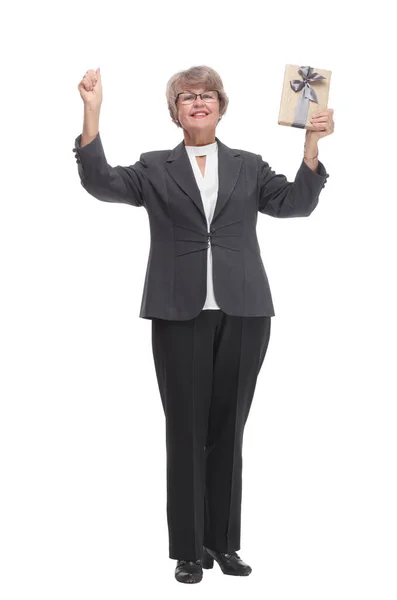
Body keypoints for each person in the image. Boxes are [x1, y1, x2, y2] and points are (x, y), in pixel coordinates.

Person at [73, 64, 334, 584]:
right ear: (175, 110)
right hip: (177, 311)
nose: (198, 101)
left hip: (245, 311)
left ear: (221, 105)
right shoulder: (154, 167)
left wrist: (311, 148)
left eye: (207, 94)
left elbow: (295, 205)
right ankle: (189, 550)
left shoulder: (249, 165)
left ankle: (224, 542)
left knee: (228, 432)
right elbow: (100, 183)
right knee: (186, 432)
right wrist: (92, 114)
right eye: (187, 96)